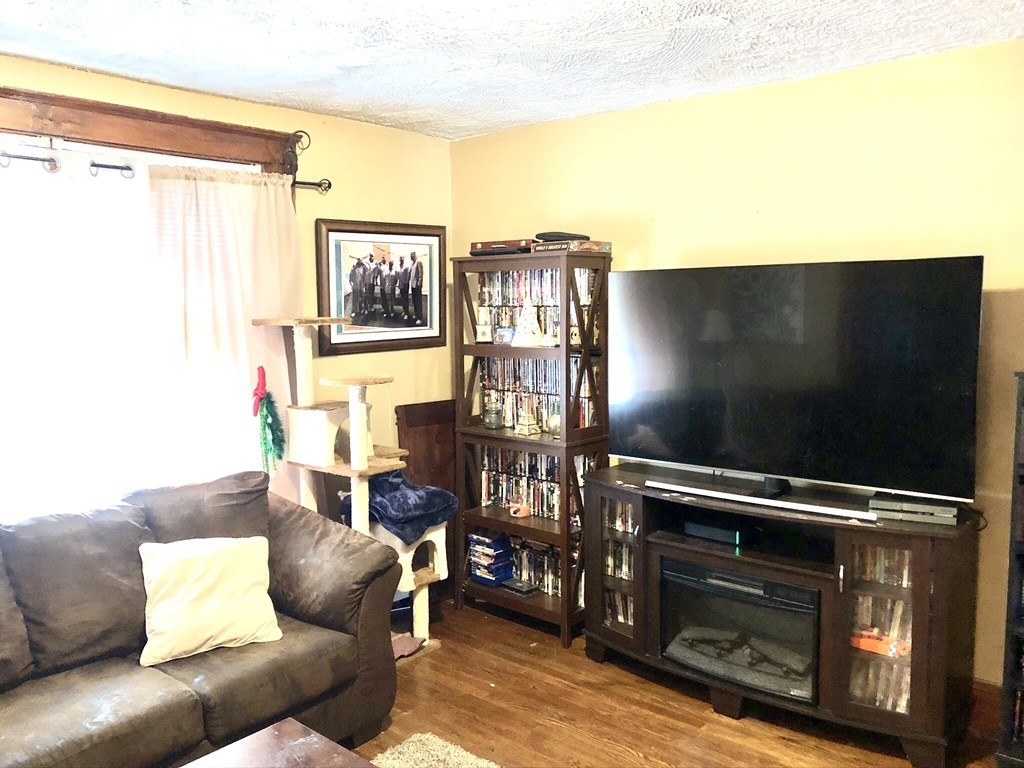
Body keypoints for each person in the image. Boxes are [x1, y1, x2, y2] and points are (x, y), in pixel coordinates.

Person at [409, 250, 425, 325]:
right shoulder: (412, 263)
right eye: (410, 255)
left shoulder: (419, 262)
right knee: (414, 300)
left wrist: (419, 284)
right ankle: (416, 314)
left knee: (418, 302)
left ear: (414, 255)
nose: (410, 256)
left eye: (411, 255)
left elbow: (421, 274)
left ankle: (420, 318)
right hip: (412, 285)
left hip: (417, 285)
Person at [397, 253, 411, 320]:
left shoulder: (406, 267)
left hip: (405, 285)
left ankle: (407, 313)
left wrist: (406, 284)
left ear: (404, 259)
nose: (401, 260)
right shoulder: (400, 266)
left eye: (402, 259)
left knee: (405, 299)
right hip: (401, 285)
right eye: (400, 259)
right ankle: (404, 311)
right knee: (402, 299)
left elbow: (408, 276)